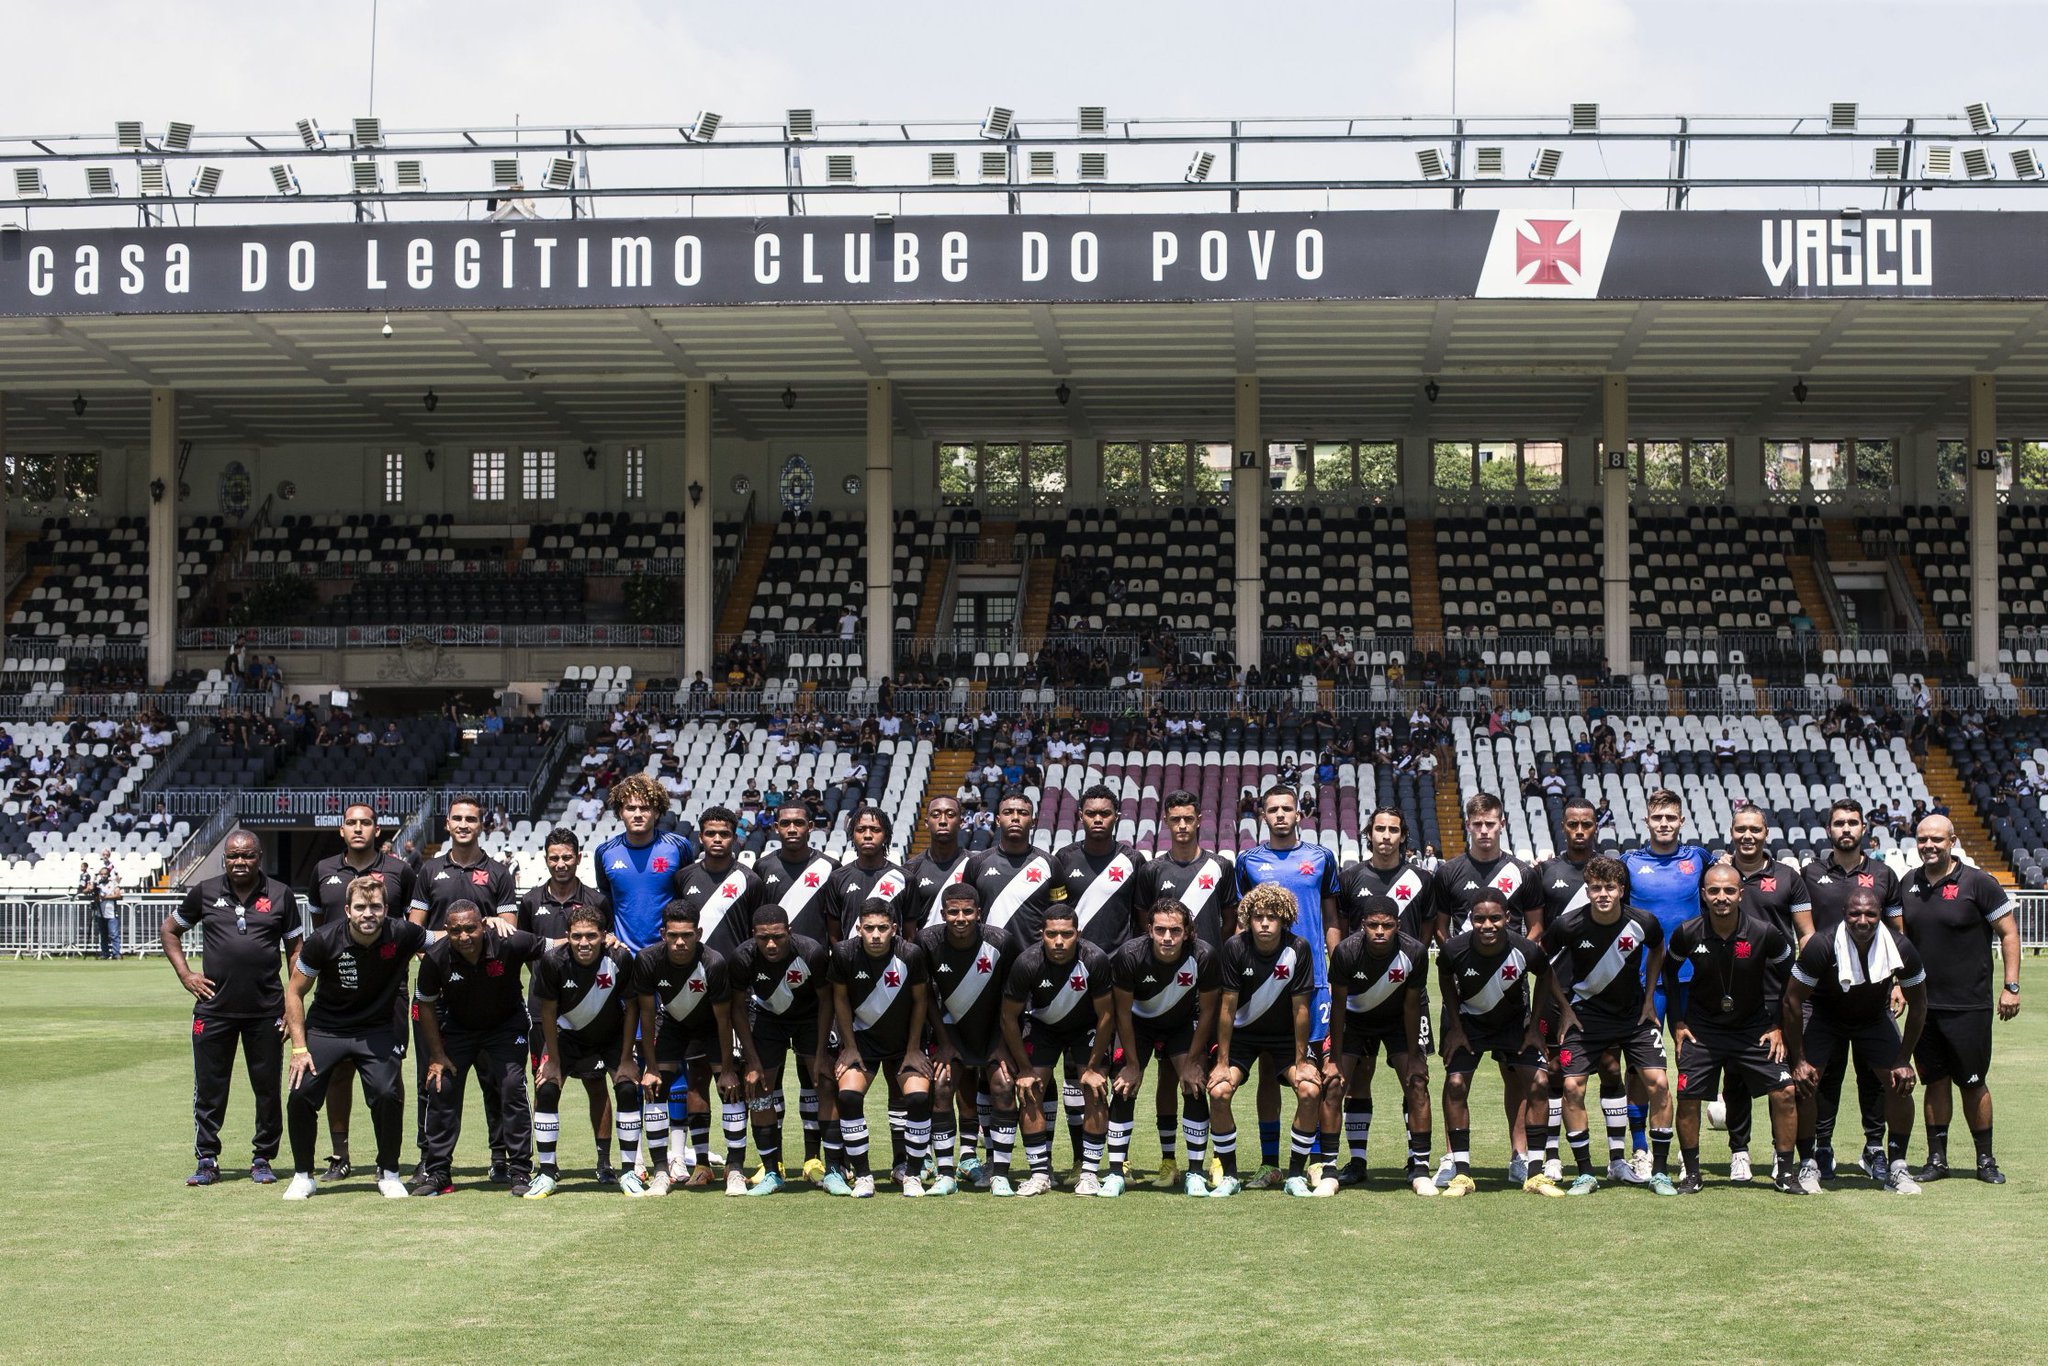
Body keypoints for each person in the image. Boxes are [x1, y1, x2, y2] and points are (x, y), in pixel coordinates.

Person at [163, 829, 301, 1187]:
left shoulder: (280, 895)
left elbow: (296, 951)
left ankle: (262, 1158)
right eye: (233, 856)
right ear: (225, 858)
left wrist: (291, 1002)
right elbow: (170, 930)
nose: (240, 862)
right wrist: (186, 974)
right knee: (210, 1087)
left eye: (248, 856)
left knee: (268, 1087)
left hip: (267, 1010)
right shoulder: (205, 892)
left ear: (260, 857)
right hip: (214, 1010)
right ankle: (207, 1158)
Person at [279, 876, 429, 1201]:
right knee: (301, 1093)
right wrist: (299, 1047)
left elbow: (442, 940)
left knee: (388, 1093)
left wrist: (486, 925)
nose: (368, 914)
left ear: (386, 909)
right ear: (347, 910)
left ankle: (389, 1173)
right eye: (360, 907)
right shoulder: (322, 940)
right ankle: (303, 1175)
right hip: (326, 1029)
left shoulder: (401, 933)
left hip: (376, 1029)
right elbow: (294, 991)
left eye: (375, 906)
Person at [1542, 856, 1679, 1196]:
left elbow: (1658, 948)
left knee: (1659, 1083)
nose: (1602, 894)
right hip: (1585, 1017)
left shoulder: (1643, 922)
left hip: (1633, 1017)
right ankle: (1585, 1173)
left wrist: (1649, 999)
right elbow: (1541, 962)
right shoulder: (1569, 925)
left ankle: (1660, 1172)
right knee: (1572, 1087)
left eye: (1609, 888)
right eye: (1595, 888)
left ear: (1621, 890)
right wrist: (1564, 1008)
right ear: (1587, 891)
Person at [1663, 865, 1801, 1195]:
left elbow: (1790, 977)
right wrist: (1678, 1022)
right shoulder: (1688, 932)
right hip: (1703, 1030)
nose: (1721, 898)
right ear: (1704, 896)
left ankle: (1784, 1171)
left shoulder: (1764, 932)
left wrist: (1778, 1026)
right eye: (1713, 891)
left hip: (1753, 1029)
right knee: (1688, 1096)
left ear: (1741, 893)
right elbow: (1668, 973)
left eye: (1728, 891)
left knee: (1785, 1091)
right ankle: (1692, 1173)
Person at [1897, 814, 2020, 1185]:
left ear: (1952, 841)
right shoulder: (1908, 884)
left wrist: (2011, 987)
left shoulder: (1979, 883)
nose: (1929, 846)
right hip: (1924, 1006)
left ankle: (1985, 1160)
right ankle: (1938, 1160)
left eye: (1936, 839)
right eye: (1922, 839)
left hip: (1969, 1004)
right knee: (1933, 1081)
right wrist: (1896, 985)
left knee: (1972, 1081)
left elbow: (2010, 934)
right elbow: (1900, 943)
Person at [1781, 888, 1928, 1195]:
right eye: (1855, 914)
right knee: (1807, 1082)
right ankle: (1808, 1162)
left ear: (1880, 916)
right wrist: (1799, 1060)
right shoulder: (1822, 944)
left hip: (1873, 1019)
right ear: (1844, 915)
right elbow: (1791, 1001)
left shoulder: (1901, 947)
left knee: (1898, 1082)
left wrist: (1903, 1059)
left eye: (1871, 914)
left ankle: (1898, 1167)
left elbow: (1920, 1006)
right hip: (1826, 1017)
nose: (1863, 920)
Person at [1431, 791, 1544, 1184]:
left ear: (1502, 824)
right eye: (1476, 824)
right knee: (1456, 1072)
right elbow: (1441, 928)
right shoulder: (1448, 872)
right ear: (1467, 825)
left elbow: (1536, 927)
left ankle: (1520, 1154)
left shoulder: (1523, 873)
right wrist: (1462, 963)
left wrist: (1515, 964)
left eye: (1490, 824)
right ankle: (1452, 1158)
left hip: (1512, 989)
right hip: (1463, 991)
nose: (1483, 831)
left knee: (1517, 1074)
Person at [306, 802, 420, 1181]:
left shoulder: (400, 870)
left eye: (365, 823)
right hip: (338, 989)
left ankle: (386, 1163)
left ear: (377, 829)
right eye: (351, 823)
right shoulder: (323, 870)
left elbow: (411, 928)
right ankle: (340, 1157)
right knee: (337, 1073)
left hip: (389, 990)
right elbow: (321, 926)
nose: (358, 829)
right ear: (341, 830)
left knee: (386, 1077)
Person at [1233, 785, 1340, 1187]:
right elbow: (1243, 921)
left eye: (1287, 809)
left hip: (1312, 981)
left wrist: (1336, 965)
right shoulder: (1248, 861)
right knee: (1267, 1070)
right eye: (1273, 809)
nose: (1280, 815)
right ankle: (1269, 1162)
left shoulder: (1321, 858)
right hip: (1264, 982)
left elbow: (1330, 916)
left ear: (1300, 814)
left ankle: (1312, 1158)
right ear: (1262, 815)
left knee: (1312, 1068)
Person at [410, 901, 549, 1197]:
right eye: (456, 930)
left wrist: (605, 940)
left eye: (470, 928)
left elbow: (555, 945)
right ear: (447, 931)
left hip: (506, 1027)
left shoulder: (510, 941)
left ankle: (520, 1170)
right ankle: (438, 1173)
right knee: (442, 1086)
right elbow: (425, 1005)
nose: (464, 936)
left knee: (512, 1085)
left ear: (483, 925)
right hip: (458, 1029)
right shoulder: (435, 958)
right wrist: (436, 1056)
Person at [1798, 798, 1903, 1181]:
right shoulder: (1809, 873)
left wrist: (1898, 984)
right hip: (1823, 997)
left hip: (1873, 995)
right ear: (1829, 829)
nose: (1846, 829)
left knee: (1875, 1075)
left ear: (1864, 829)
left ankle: (1874, 1148)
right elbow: (1805, 934)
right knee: (1822, 1075)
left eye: (1852, 823)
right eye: (1839, 823)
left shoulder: (1883, 873)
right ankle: (1821, 1148)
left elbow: (1896, 932)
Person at [1209, 883, 1331, 1198]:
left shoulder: (1299, 948)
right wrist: (1221, 1063)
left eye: (1272, 917)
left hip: (1284, 1038)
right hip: (1242, 1037)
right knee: (1219, 1092)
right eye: (1258, 916)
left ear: (1285, 919)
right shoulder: (1235, 947)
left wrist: (1302, 1061)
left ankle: (1293, 1175)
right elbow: (1227, 1006)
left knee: (1309, 1090)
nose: (1265, 923)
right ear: (1247, 918)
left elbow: (1301, 1008)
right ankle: (1231, 1176)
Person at [1435, 888, 1559, 1198]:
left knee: (1539, 1083)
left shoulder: (1526, 950)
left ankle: (1535, 1173)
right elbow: (1445, 980)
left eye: (1494, 918)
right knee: (1456, 1084)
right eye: (1479, 919)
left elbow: (1545, 977)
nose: (1487, 925)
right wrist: (1456, 1027)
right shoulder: (1454, 949)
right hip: (1469, 1024)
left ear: (1507, 918)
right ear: (1470, 920)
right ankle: (1461, 1172)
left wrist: (1534, 1029)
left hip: (1513, 1024)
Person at [526, 905, 645, 1198]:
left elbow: (632, 1008)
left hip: (611, 1035)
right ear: (567, 936)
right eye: (577, 936)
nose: (584, 943)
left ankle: (628, 1171)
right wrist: (552, 1061)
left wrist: (628, 1058)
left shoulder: (620, 957)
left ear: (604, 936)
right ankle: (547, 1172)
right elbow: (549, 1011)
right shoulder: (552, 961)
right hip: (566, 1037)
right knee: (547, 1089)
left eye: (591, 936)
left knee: (628, 1089)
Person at [997, 903, 1112, 1198]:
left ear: (1078, 934)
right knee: (1030, 1089)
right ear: (1042, 934)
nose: (1059, 941)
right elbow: (1008, 1016)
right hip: (1044, 1028)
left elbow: (1106, 1016)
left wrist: (1092, 1068)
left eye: (1066, 934)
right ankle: (1039, 1174)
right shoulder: (1027, 963)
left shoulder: (1095, 959)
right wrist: (1023, 1069)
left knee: (1095, 1090)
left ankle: (1088, 1174)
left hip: (1085, 1028)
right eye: (1052, 934)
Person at [1109, 897, 1221, 1198]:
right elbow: (1121, 1012)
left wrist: (1193, 1061)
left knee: (1193, 1085)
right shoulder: (1129, 956)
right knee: (1123, 1085)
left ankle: (1193, 1172)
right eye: (1160, 930)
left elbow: (1209, 1011)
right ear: (1149, 929)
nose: (1167, 938)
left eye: (1174, 930)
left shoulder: (1205, 955)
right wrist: (1132, 1065)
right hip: (1138, 1025)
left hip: (1181, 1025)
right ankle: (1115, 1171)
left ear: (1187, 932)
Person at [1325, 894, 1435, 1195]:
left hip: (1398, 1020)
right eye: (1373, 925)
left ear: (1397, 925)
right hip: (1356, 1021)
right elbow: (1337, 1006)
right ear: (1363, 925)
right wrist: (1334, 1057)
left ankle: (1420, 1168)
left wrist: (1415, 1056)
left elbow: (1412, 1006)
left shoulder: (1414, 952)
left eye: (1386, 925)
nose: (1380, 931)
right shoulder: (1346, 952)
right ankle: (1332, 1169)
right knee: (1335, 1085)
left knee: (1416, 1083)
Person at [829, 899, 934, 1198]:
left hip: (904, 1042)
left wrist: (914, 1049)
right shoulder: (843, 953)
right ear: (859, 929)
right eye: (869, 928)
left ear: (894, 930)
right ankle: (863, 1175)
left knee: (916, 1098)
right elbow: (840, 1000)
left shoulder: (911, 954)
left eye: (883, 929)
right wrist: (849, 1046)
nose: (876, 935)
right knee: (848, 1096)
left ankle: (911, 1172)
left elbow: (920, 1002)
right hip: (863, 1041)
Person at [726, 903, 833, 1195]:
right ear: (753, 935)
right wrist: (751, 1061)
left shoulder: (812, 952)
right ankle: (773, 1171)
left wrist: (823, 1054)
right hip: (767, 1019)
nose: (771, 944)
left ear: (789, 931)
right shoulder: (743, 957)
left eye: (777, 936)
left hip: (810, 1018)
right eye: (763, 938)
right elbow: (736, 1008)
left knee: (824, 1082)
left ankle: (832, 1168)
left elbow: (827, 1001)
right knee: (760, 1091)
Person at [918, 882, 1017, 1196]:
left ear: (979, 914)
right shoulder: (927, 941)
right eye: (953, 912)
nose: (960, 918)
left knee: (1003, 1085)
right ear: (944, 913)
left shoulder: (1001, 941)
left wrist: (1001, 1041)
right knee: (943, 1085)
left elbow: (1011, 995)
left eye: (967, 911)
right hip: (951, 1031)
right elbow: (925, 997)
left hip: (991, 1031)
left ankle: (999, 1172)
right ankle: (946, 1173)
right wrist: (944, 1042)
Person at [634, 904, 736, 1194]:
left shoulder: (714, 962)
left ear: (698, 934)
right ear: (663, 933)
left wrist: (728, 1069)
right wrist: (651, 1068)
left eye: (687, 935)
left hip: (710, 1028)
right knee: (656, 1089)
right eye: (673, 935)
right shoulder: (648, 959)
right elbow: (646, 1013)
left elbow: (723, 1019)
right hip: (674, 1025)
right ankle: (661, 1173)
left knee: (728, 1087)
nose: (680, 942)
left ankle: (735, 1168)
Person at [590, 773, 695, 953]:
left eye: (645, 808)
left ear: (657, 812)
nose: (638, 814)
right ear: (620, 812)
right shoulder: (605, 852)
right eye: (630, 808)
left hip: (668, 953)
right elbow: (606, 897)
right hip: (623, 953)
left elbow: (688, 896)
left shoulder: (679, 846)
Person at [1050, 784, 1148, 954]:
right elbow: (1056, 911)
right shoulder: (1064, 858)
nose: (1097, 819)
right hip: (1074, 957)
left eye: (1105, 813)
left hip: (1119, 960)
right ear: (1081, 816)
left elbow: (1142, 919)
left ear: (1116, 817)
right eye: (1090, 813)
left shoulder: (1134, 860)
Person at [961, 789, 1059, 949]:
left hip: (1036, 959)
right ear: (998, 820)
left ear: (1033, 822)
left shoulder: (1051, 864)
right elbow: (966, 913)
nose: (1015, 818)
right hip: (988, 960)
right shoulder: (976, 864)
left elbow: (1059, 916)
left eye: (1022, 813)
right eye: (1008, 812)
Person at [752, 802, 841, 943]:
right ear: (776, 827)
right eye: (785, 823)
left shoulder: (830, 867)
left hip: (816, 959)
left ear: (810, 826)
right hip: (772, 957)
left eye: (799, 823)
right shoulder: (762, 866)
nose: (792, 829)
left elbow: (835, 922)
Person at [903, 794, 973, 931]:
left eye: (950, 815)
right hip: (925, 951)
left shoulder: (975, 865)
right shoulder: (910, 869)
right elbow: (908, 927)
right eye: (935, 815)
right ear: (926, 822)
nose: (942, 821)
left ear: (962, 822)